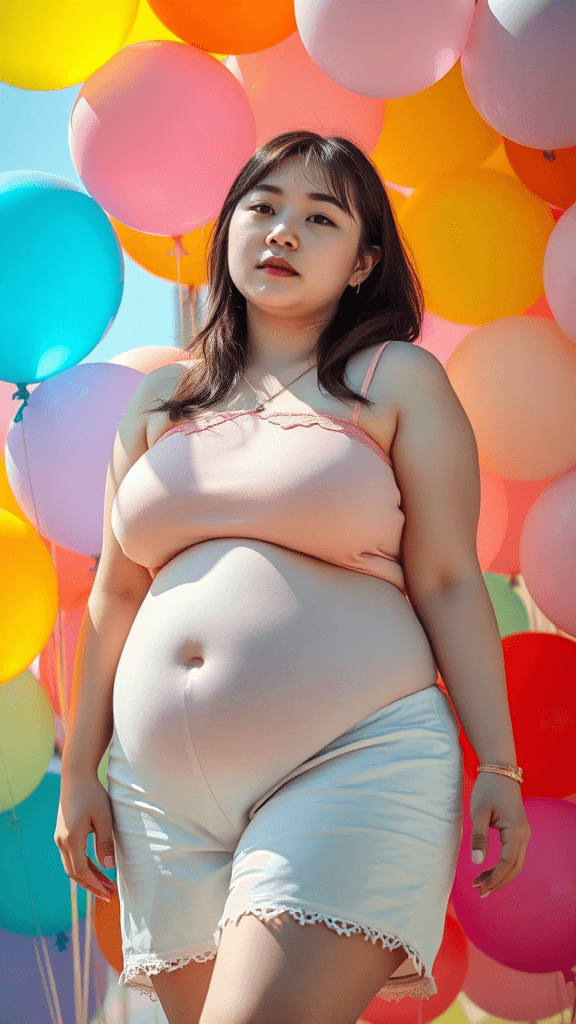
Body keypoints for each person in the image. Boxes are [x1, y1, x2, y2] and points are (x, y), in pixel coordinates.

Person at [57, 130, 527, 1024]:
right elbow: (115, 592)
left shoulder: (398, 382)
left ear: (363, 263)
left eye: (321, 218)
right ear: (229, 228)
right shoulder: (159, 402)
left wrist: (498, 760)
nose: (282, 232)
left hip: (352, 760)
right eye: (262, 207)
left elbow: (448, 581)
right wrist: (81, 766)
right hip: (161, 800)